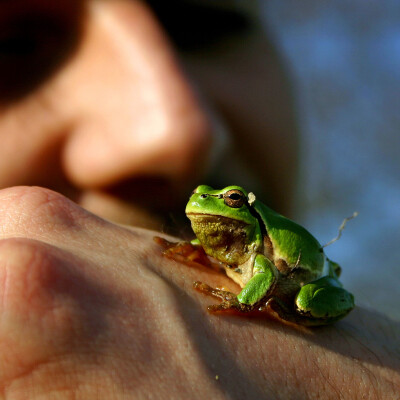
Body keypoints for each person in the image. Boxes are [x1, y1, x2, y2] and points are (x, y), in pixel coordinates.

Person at [0, 1, 398, 398]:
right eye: (14, 44)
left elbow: (264, 272)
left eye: (205, 26)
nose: (178, 133)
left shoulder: (258, 254)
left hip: (306, 284)